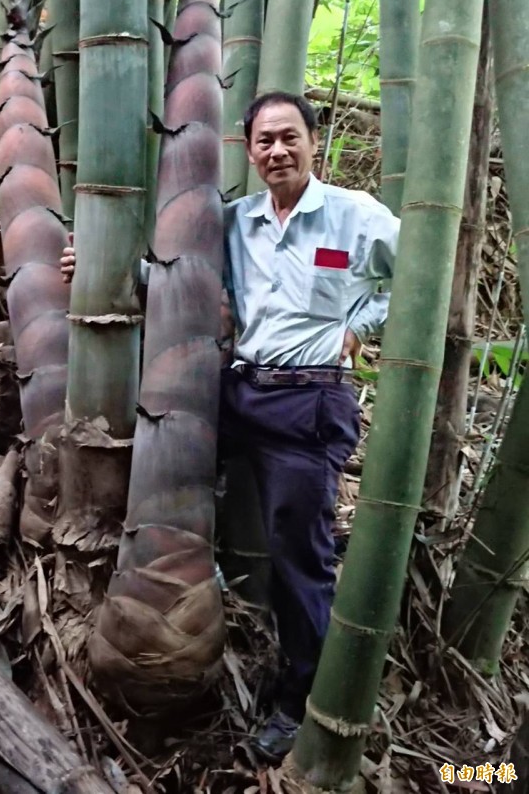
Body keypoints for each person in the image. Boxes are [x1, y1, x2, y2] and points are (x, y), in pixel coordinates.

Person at [60, 91, 400, 764]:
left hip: (308, 401)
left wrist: (358, 328)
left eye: (289, 137)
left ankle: (299, 701)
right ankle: (176, 620)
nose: (277, 151)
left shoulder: (356, 217)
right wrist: (97, 265)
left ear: (314, 142)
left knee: (299, 554)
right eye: (264, 141)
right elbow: (179, 277)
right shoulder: (234, 221)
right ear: (248, 150)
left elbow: (418, 276)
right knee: (166, 487)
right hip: (235, 390)